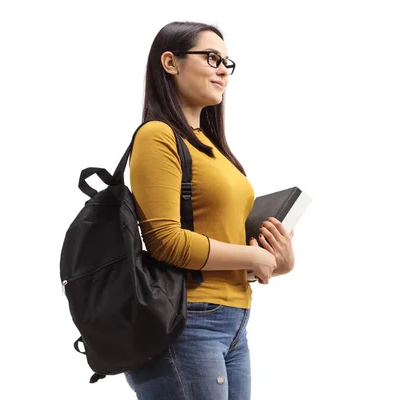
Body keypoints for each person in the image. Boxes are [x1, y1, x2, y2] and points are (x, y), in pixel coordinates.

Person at [125, 21, 295, 400]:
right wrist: (251, 255)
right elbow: (165, 241)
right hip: (188, 323)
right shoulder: (158, 135)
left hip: (234, 321)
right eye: (212, 57)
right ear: (171, 62)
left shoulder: (212, 147)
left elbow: (218, 239)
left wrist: (274, 258)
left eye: (226, 62)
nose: (223, 70)